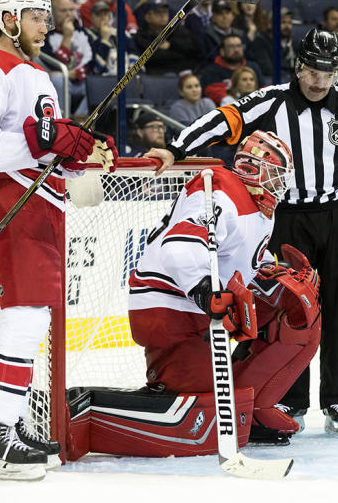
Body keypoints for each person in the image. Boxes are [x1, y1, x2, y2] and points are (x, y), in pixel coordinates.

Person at [161, 29, 338, 436]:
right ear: (298, 65)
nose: (320, 82)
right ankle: (292, 396)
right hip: (286, 218)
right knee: (292, 311)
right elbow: (224, 120)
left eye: (329, 73)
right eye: (313, 71)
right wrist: (176, 147)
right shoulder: (270, 100)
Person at [0, 0, 118, 481]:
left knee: (31, 319)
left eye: (48, 17)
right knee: (22, 317)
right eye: (35, 16)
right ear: (7, 20)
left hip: (44, 205)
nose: (47, 26)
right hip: (12, 203)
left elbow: (44, 151)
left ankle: (11, 422)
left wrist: (80, 156)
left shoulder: (40, 75)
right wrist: (47, 139)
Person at [123, 130, 325, 448]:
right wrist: (205, 290)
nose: (280, 183)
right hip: (172, 306)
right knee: (199, 418)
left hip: (202, 305)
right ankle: (205, 400)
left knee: (301, 312)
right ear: (254, 169)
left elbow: (241, 266)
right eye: (276, 174)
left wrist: (278, 281)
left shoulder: (258, 208)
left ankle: (252, 408)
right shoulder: (221, 189)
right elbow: (178, 248)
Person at [42, 0, 94, 115]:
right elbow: (53, 64)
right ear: (53, 13)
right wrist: (67, 37)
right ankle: (61, 120)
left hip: (80, 81)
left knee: (98, 83)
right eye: (63, 11)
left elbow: (92, 62)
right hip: (56, 82)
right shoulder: (45, 35)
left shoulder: (83, 33)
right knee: (59, 79)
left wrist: (75, 73)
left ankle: (79, 121)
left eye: (71, 10)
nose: (68, 14)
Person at [134, 0, 201, 75]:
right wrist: (177, 51)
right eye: (157, 12)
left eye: (165, 12)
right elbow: (153, 58)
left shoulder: (178, 30)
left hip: (184, 71)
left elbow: (193, 49)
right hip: (157, 75)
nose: (162, 15)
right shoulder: (141, 36)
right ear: (147, 17)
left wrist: (171, 45)